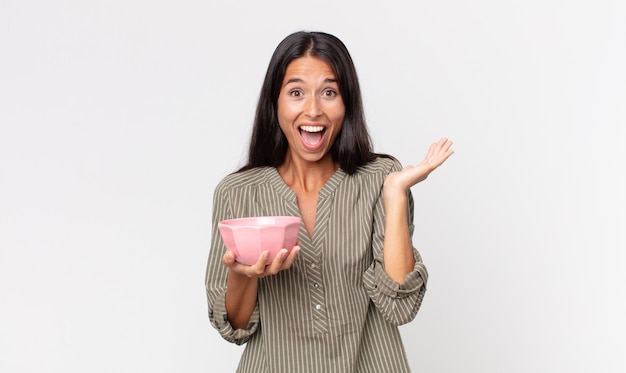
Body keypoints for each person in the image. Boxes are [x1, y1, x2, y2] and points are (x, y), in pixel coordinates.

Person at [205, 30, 454, 372]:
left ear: (346, 102)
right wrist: (243, 275)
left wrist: (394, 193)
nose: (313, 110)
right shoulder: (237, 193)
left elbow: (401, 306)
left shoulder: (380, 179)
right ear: (274, 103)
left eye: (329, 92)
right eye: (296, 93)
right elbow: (234, 326)